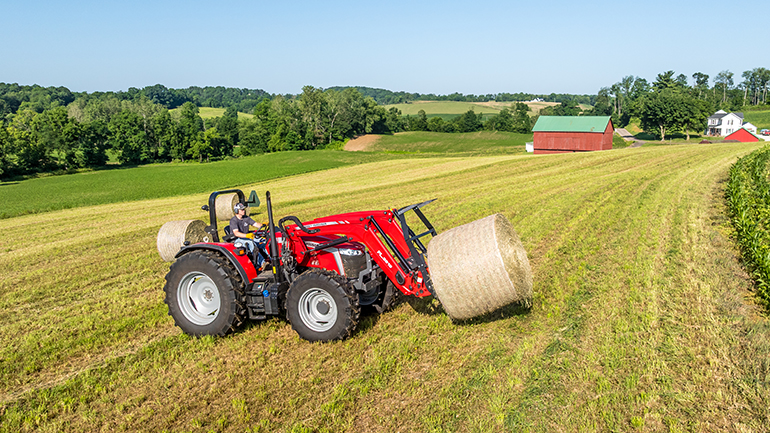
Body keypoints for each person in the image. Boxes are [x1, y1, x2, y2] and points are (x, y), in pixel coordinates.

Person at [230, 202, 269, 269]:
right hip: (237, 239)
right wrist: (247, 236)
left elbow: (255, 224)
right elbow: (236, 233)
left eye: (244, 209)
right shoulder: (233, 220)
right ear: (237, 211)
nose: (244, 211)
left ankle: (273, 259)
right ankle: (263, 263)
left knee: (263, 242)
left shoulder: (246, 218)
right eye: (242, 210)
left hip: (248, 237)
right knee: (251, 243)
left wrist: (263, 225)